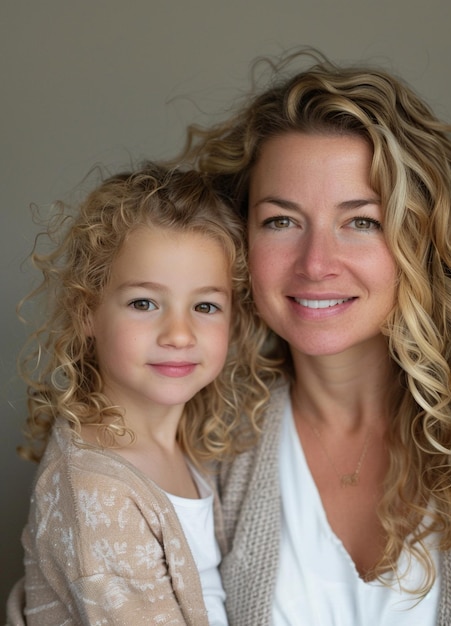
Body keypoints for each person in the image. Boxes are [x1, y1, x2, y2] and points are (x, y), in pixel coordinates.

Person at [175, 48, 451, 625]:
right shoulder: (192, 438)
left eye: (361, 221)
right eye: (281, 221)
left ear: (423, 240)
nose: (316, 264)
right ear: (238, 242)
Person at [6, 164, 277, 625]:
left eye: (206, 306)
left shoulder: (193, 444)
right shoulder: (98, 493)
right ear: (87, 310)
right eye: (144, 303)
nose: (178, 333)